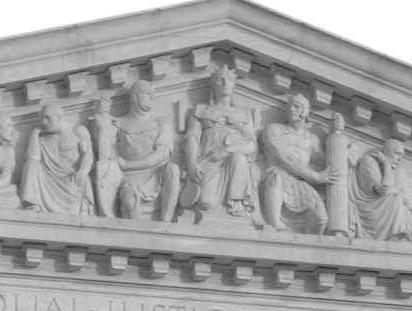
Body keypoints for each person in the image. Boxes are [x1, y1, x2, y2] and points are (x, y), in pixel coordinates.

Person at [97, 81, 180, 221]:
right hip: (129, 178)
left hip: (155, 174)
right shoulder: (119, 124)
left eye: (153, 94)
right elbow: (104, 148)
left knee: (173, 170)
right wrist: (103, 114)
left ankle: (166, 223)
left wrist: (127, 164)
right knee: (129, 202)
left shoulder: (161, 123)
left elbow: (162, 153)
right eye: (148, 93)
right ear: (136, 96)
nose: (152, 97)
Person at [182, 65, 258, 218]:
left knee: (239, 158)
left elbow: (252, 145)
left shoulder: (244, 114)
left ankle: (237, 203)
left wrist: (228, 149)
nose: (225, 83)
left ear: (234, 84)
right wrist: (191, 162)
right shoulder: (201, 110)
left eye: (229, 79)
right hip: (208, 160)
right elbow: (192, 136)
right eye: (219, 79)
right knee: (206, 203)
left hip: (234, 162)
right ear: (213, 84)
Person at [261, 93, 339, 234]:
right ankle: (274, 224)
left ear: (305, 111)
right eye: (289, 107)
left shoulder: (312, 139)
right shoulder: (274, 129)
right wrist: (316, 176)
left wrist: (336, 134)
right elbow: (286, 158)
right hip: (279, 177)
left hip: (300, 183)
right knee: (275, 178)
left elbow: (327, 165)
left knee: (321, 219)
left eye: (296, 106)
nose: (291, 110)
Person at [19, 104, 94, 215]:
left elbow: (88, 155)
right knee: (31, 164)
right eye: (42, 118)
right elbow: (32, 158)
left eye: (48, 118)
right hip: (48, 179)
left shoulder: (77, 130)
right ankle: (33, 204)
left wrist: (82, 172)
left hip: (70, 177)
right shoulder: (42, 138)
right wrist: (35, 134)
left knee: (80, 180)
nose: (44, 122)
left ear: (59, 118)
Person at [348, 139, 412, 242]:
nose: (400, 159)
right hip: (370, 207)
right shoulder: (368, 161)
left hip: (391, 206)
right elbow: (384, 190)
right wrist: (386, 163)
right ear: (386, 152)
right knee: (395, 197)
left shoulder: (399, 171)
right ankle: (394, 236)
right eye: (397, 154)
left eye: (401, 155)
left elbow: (406, 199)